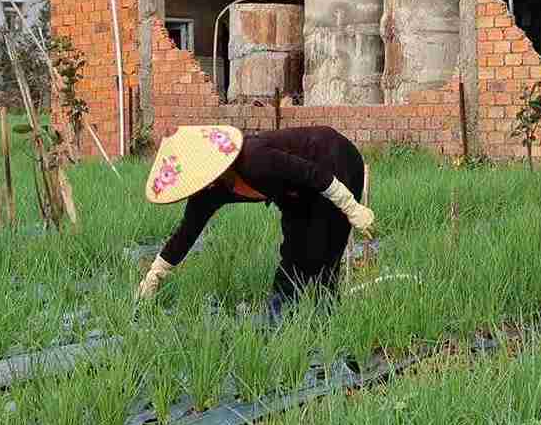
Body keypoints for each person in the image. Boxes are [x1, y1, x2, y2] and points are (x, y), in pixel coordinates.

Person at [135, 124, 374, 321]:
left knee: (325, 252)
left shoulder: (253, 158)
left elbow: (313, 174)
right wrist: (155, 274)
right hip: (291, 192)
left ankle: (327, 323)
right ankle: (278, 323)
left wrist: (351, 207)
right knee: (294, 254)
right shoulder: (208, 193)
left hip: (333, 160)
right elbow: (186, 234)